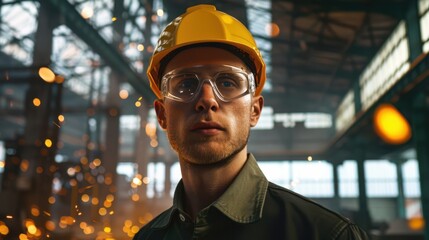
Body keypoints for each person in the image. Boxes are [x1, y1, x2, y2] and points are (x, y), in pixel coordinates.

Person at [133, 4, 368, 240]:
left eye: (227, 82)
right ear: (162, 114)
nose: (206, 100)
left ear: (255, 110)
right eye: (185, 85)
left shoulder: (327, 235)